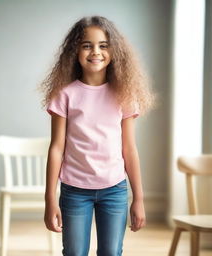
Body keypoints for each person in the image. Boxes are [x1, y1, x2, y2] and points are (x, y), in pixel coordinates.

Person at [38, 15, 157, 256]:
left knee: (112, 252)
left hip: (114, 189)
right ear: (75, 51)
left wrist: (139, 198)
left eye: (103, 45)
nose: (96, 51)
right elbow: (56, 148)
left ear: (114, 51)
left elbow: (129, 149)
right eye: (86, 45)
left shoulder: (123, 94)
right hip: (74, 190)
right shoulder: (65, 95)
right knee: (74, 253)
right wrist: (50, 199)